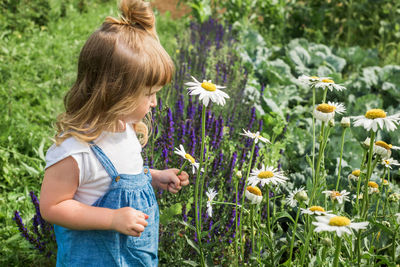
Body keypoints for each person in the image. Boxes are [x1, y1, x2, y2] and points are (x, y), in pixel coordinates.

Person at [39, 0, 189, 266]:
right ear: (115, 93)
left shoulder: (126, 130)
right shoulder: (76, 152)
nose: (154, 103)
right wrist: (111, 218)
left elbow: (120, 175)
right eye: (149, 94)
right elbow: (52, 206)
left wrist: (153, 177)